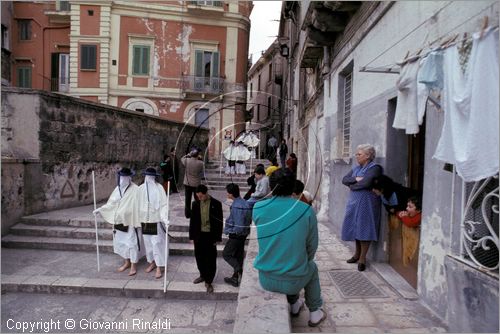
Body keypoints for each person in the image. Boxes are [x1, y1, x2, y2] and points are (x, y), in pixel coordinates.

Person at [253, 168, 326, 327]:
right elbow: (311, 246)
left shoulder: (258, 207)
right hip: (294, 280)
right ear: (293, 187)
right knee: (311, 267)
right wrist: (303, 261)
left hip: (265, 278)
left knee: (289, 260)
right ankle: (314, 312)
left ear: (271, 187)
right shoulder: (306, 210)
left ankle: (295, 304)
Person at [93, 167, 142, 276]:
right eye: (121, 177)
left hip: (130, 222)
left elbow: (140, 205)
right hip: (119, 221)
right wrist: (100, 210)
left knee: (132, 243)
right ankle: (127, 262)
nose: (123, 179)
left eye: (125, 177)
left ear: (129, 177)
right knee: (121, 243)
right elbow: (111, 203)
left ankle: (133, 265)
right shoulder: (117, 189)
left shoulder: (136, 189)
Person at [341, 144, 382, 272]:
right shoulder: (356, 168)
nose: (356, 156)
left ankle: (362, 258)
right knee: (355, 227)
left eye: (359, 154)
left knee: (365, 228)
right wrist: (355, 179)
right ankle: (356, 254)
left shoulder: (375, 168)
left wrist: (353, 185)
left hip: (367, 203)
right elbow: (344, 179)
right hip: (354, 202)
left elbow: (367, 182)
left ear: (368, 155)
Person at [189, 184, 223, 293]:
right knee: (199, 256)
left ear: (206, 193)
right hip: (199, 235)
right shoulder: (195, 204)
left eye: (201, 196)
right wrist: (192, 236)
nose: (199, 198)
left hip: (210, 235)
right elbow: (192, 222)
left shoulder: (216, 204)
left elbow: (219, 222)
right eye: (198, 196)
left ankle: (209, 281)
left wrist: (217, 238)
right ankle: (202, 275)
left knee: (210, 258)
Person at [137, 167, 169, 279]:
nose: (149, 178)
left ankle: (160, 266)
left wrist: (164, 217)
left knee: (157, 243)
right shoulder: (140, 189)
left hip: (156, 221)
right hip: (145, 221)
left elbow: (164, 204)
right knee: (148, 244)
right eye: (147, 176)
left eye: (151, 176)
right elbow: (136, 205)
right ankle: (152, 262)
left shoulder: (159, 188)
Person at [223, 183, 252, 287]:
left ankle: (239, 269)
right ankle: (235, 278)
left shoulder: (237, 206)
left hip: (237, 235)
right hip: (243, 235)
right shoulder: (245, 202)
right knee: (238, 255)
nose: (227, 194)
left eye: (228, 192)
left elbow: (239, 226)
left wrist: (230, 231)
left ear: (231, 194)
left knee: (226, 254)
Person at [181, 149, 204, 218]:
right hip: (196, 183)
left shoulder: (187, 161)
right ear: (197, 155)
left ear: (192, 155)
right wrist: (200, 158)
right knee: (197, 199)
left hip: (187, 183)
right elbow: (202, 170)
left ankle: (187, 214)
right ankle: (197, 213)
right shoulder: (201, 163)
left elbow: (182, 158)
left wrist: (188, 155)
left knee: (187, 199)